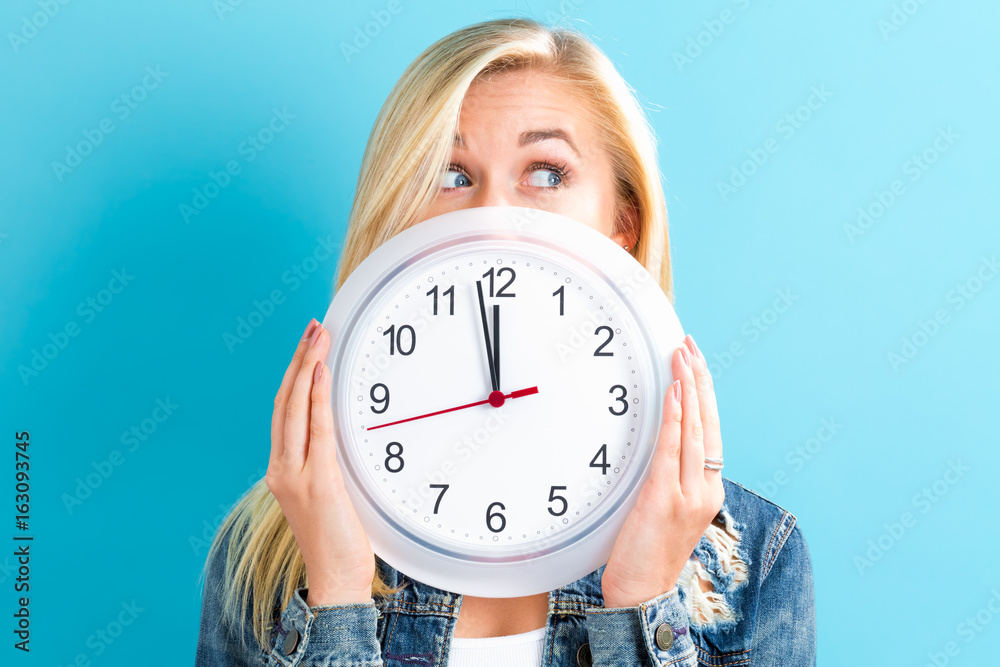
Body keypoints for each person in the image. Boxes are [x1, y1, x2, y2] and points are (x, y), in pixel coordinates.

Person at [195, 17, 815, 667]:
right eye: (450, 173)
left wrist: (640, 601)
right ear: (395, 218)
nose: (492, 212)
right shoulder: (265, 557)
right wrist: (338, 600)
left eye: (546, 173)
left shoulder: (754, 562)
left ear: (620, 225)